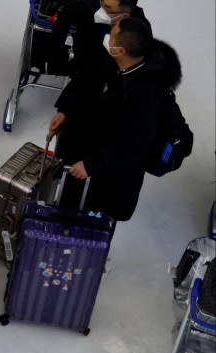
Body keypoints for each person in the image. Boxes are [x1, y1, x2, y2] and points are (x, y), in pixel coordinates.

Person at [48, 18, 182, 221]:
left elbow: (134, 146)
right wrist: (67, 112)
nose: (108, 41)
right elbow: (89, 86)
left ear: (121, 51)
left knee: (87, 227)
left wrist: (91, 165)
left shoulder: (145, 98)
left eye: (111, 39)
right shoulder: (122, 63)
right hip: (86, 157)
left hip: (106, 179)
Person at [71, 0, 151, 80]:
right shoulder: (96, 18)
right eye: (102, 4)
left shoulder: (136, 37)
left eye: (107, 9)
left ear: (125, 16)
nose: (101, 11)